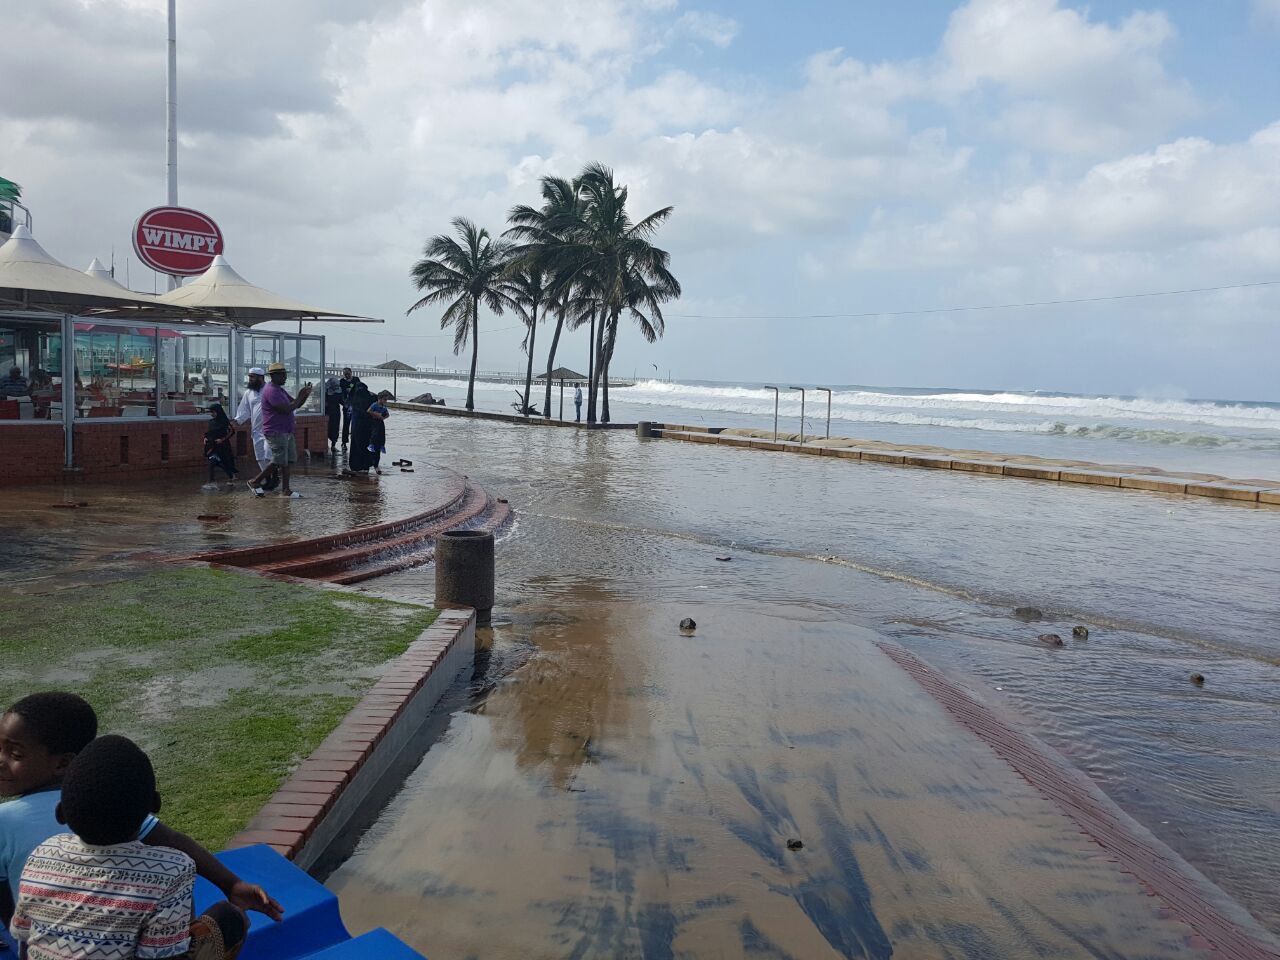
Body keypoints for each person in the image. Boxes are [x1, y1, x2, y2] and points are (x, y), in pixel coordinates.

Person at [0, 692, 282, 932]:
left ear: (63, 764)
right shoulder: (108, 802)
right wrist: (231, 884)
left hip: (45, 946)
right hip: (131, 940)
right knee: (226, 919)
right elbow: (172, 841)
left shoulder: (10, 823)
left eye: (15, 754)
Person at [11, 735, 249, 960]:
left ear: (62, 813)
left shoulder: (42, 853)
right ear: (151, 806)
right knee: (229, 918)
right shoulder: (172, 868)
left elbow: (24, 939)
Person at [260, 362, 312, 500]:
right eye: (282, 375)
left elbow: (295, 404)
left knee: (288, 460)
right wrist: (300, 395)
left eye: (285, 375)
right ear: (274, 376)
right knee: (279, 460)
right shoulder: (271, 391)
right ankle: (255, 481)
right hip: (275, 431)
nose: (285, 378)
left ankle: (286, 489)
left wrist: (305, 395)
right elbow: (285, 409)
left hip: (286, 430)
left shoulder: (280, 390)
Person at [232, 367, 277, 496]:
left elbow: (287, 406)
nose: (250, 379)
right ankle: (269, 480)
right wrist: (237, 421)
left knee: (269, 456)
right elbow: (244, 410)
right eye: (249, 377)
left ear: (261, 378)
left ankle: (274, 478)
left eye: (253, 377)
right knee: (260, 458)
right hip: (257, 431)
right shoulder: (249, 393)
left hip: (271, 429)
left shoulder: (272, 390)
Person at [345, 383, 378, 475]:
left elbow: (347, 405)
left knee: (357, 445)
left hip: (357, 425)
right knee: (366, 445)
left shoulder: (354, 397)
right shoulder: (372, 397)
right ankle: (366, 466)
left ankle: (357, 467)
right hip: (369, 426)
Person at [203, 403, 238, 487]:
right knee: (212, 462)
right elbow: (209, 433)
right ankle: (211, 482)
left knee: (224, 462)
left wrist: (222, 439)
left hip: (223, 446)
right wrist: (205, 438)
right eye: (210, 412)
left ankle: (231, 475)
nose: (212, 414)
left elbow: (231, 431)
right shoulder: (211, 422)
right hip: (213, 446)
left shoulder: (224, 421)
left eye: (213, 412)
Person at [323, 376, 343, 455]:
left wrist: (346, 404)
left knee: (335, 428)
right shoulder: (325, 389)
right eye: (334, 386)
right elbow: (321, 400)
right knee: (327, 428)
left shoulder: (339, 390)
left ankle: (333, 445)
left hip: (336, 411)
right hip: (327, 411)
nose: (336, 388)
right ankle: (325, 445)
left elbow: (341, 400)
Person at [338, 368, 356, 449]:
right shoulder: (341, 381)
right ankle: (344, 442)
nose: (347, 375)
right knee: (346, 424)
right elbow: (340, 394)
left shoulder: (356, 380)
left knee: (355, 424)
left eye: (348, 374)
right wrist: (344, 403)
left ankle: (355, 441)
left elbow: (361, 390)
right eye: (345, 374)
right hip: (346, 405)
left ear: (351, 373)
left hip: (355, 406)